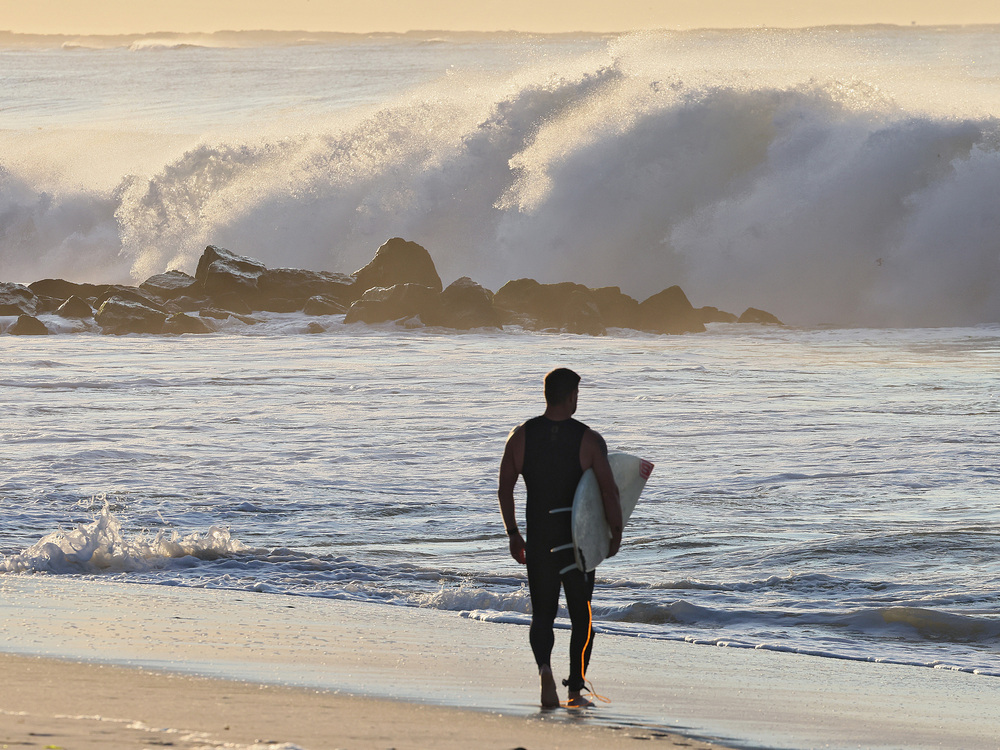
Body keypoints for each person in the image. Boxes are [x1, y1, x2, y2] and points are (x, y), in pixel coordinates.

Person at [497, 368, 622, 708]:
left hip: (538, 540)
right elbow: (609, 492)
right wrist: (616, 532)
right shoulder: (589, 440)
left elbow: (504, 487)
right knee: (583, 619)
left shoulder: (520, 436)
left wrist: (513, 534)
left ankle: (544, 673)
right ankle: (575, 691)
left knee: (542, 616)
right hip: (577, 546)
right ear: (571, 397)